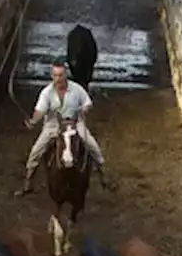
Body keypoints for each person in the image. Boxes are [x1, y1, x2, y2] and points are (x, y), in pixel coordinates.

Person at [16, 60, 115, 196]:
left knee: (92, 145)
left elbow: (87, 104)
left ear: (66, 74)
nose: (58, 79)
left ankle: (104, 176)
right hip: (53, 125)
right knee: (36, 151)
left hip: (75, 122)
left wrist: (82, 111)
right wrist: (33, 121)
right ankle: (28, 183)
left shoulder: (77, 89)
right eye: (56, 75)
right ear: (52, 76)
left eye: (61, 75)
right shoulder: (46, 93)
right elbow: (40, 110)